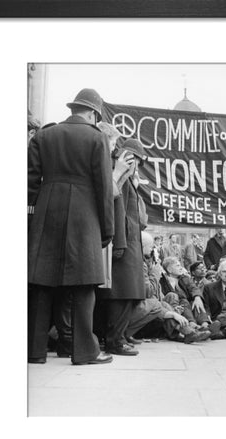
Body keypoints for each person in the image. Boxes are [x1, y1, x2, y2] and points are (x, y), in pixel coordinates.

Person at [28, 88, 114, 365]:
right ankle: (85, 352)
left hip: (46, 212)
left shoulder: (43, 136)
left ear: (74, 108)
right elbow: (103, 187)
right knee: (83, 286)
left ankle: (34, 351)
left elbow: (30, 184)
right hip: (84, 215)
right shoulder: (97, 138)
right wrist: (106, 228)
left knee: (41, 283)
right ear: (92, 113)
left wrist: (33, 217)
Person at [98, 137, 149, 356]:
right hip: (124, 244)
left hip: (129, 244)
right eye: (135, 159)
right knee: (122, 294)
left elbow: (139, 218)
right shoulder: (120, 179)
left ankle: (117, 338)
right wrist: (118, 243)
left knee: (127, 293)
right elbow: (117, 212)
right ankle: (115, 341)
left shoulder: (128, 180)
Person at [159, 256, 208, 324]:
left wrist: (197, 297)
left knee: (196, 302)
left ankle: (205, 324)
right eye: (177, 266)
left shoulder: (184, 278)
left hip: (188, 305)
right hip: (174, 306)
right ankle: (192, 323)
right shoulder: (162, 281)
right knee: (184, 301)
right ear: (169, 269)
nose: (181, 267)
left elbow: (193, 288)